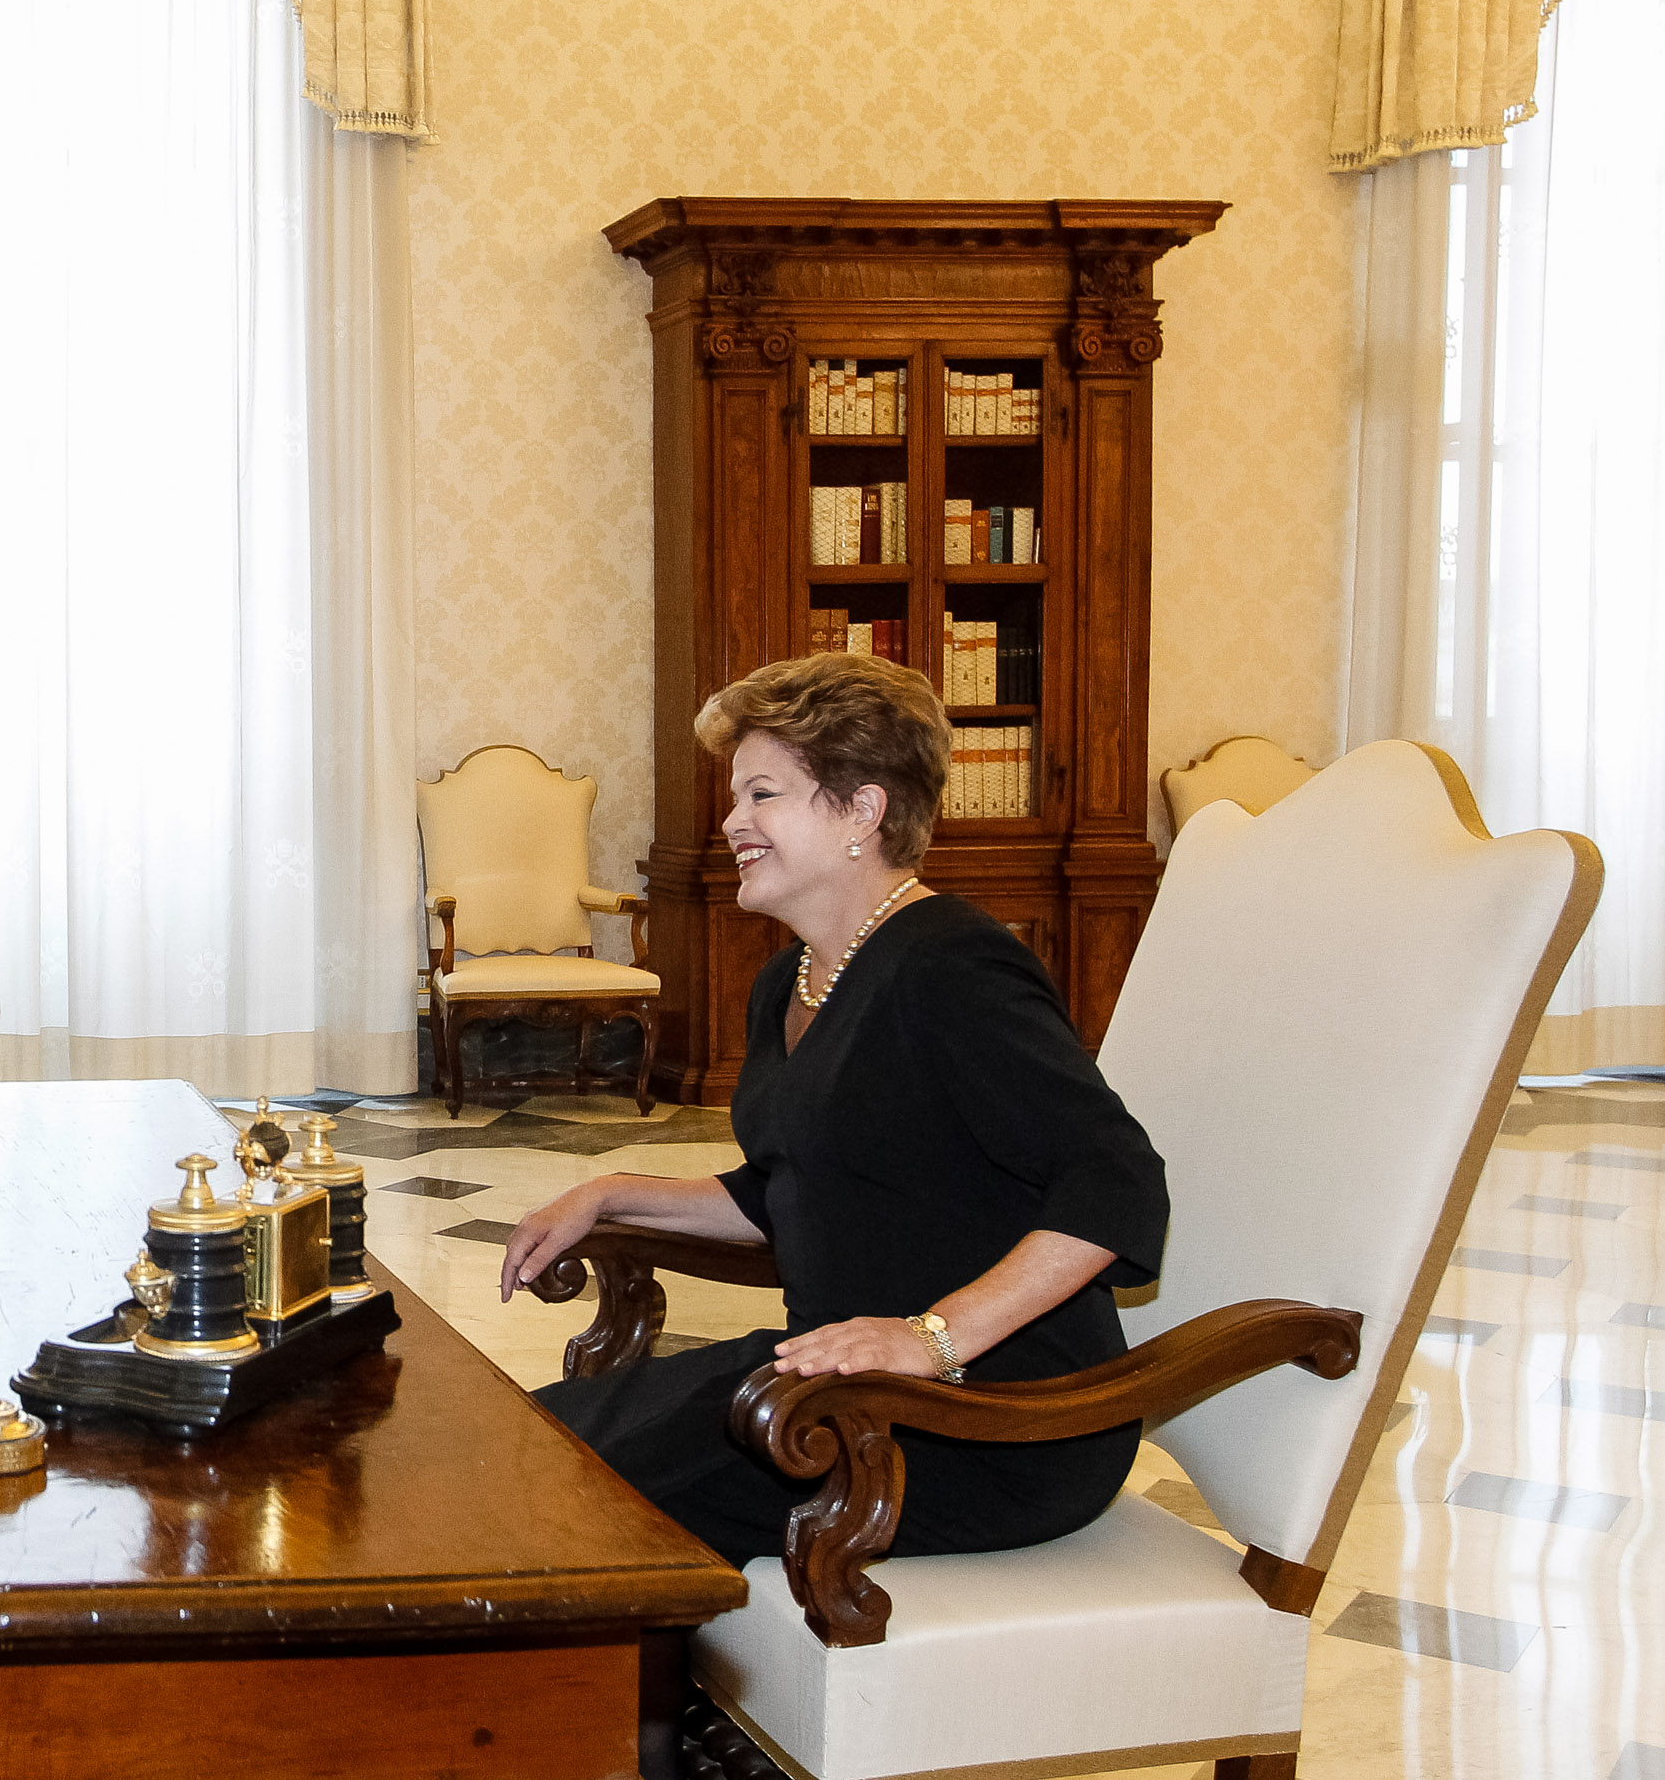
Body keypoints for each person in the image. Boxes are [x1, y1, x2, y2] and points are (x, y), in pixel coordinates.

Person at [500, 653, 1169, 1564]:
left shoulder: (950, 966)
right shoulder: (790, 978)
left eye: (762, 794)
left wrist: (930, 1340)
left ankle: (599, 1704)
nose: (732, 822)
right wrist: (612, 1192)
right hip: (835, 1384)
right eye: (737, 797)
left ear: (862, 810)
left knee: (552, 1500)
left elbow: (1117, 1178)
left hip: (986, 1421)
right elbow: (793, 1187)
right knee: (532, 1441)